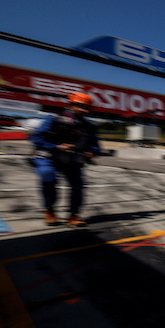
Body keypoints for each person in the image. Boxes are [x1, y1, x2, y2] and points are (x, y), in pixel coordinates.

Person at [29, 92, 100, 227]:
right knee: (48, 176)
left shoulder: (90, 127)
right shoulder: (54, 119)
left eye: (87, 108)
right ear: (71, 105)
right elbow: (36, 138)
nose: (84, 110)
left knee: (78, 186)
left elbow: (96, 147)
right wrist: (56, 146)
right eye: (81, 107)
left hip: (72, 160)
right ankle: (49, 210)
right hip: (49, 156)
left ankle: (74, 215)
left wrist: (91, 152)